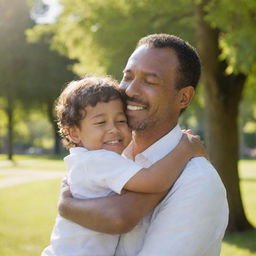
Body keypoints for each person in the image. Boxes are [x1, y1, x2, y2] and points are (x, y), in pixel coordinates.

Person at [58, 34, 229, 256]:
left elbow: (121, 217)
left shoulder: (197, 181)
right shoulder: (112, 156)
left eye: (149, 81)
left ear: (184, 97)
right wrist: (66, 207)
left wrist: (67, 206)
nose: (129, 90)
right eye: (127, 77)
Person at [42, 75, 207, 256]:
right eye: (100, 122)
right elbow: (154, 181)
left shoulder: (86, 159)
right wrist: (185, 147)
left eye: (121, 121)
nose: (113, 129)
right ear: (74, 133)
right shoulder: (99, 160)